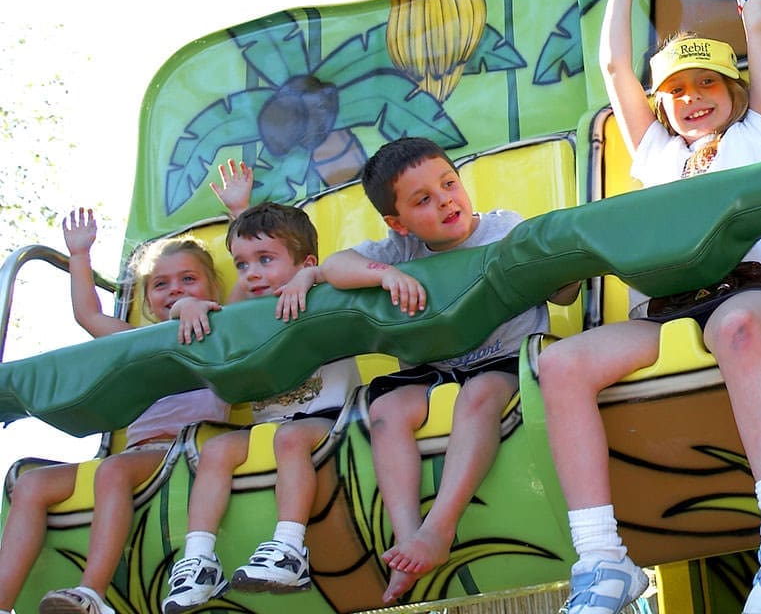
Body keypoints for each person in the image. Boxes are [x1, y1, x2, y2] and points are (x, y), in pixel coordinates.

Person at [537, 0, 761, 614]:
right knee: (561, 364)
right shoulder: (658, 154)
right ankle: (604, 561)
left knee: (733, 327)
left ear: (733, 93)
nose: (691, 100)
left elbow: (760, 30)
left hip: (755, 292)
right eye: (676, 92)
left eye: (706, 87)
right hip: (672, 305)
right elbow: (612, 67)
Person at [319, 136, 579, 604]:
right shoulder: (401, 252)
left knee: (478, 397)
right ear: (398, 223)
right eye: (423, 200)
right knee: (385, 411)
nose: (445, 201)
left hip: (501, 358)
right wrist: (383, 274)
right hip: (433, 367)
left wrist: (564, 272)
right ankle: (407, 535)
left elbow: (563, 292)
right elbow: (336, 267)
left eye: (448, 184)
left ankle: (439, 528)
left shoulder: (504, 229)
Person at [0, 211, 230, 614]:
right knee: (32, 485)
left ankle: (91, 593)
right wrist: (79, 254)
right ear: (147, 297)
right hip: (138, 454)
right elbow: (89, 316)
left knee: (112, 470)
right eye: (161, 284)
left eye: (188, 280)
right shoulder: (135, 341)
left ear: (212, 287)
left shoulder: (218, 333)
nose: (174, 289)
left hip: (188, 450)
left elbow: (249, 295)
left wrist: (239, 215)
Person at [158, 202, 361, 613]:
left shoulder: (322, 291)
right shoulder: (245, 314)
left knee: (288, 440)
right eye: (242, 264)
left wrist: (311, 276)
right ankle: (198, 561)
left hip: (331, 418)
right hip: (268, 427)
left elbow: (342, 272)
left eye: (265, 260)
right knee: (216, 449)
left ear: (304, 262)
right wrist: (187, 306)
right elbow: (199, 317)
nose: (251, 274)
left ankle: (289, 549)